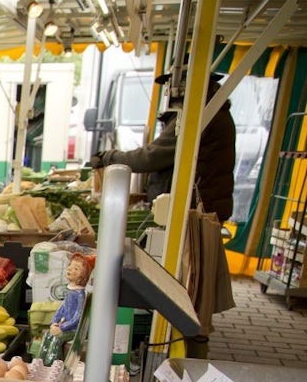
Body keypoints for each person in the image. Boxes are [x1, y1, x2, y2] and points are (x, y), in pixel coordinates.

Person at [90, 73, 236, 222]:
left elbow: (150, 157)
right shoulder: (211, 113)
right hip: (201, 207)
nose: (169, 91)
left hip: (197, 211)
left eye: (171, 86)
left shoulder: (199, 117)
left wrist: (109, 157)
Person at [40, 253, 93, 366]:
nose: (70, 269)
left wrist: (62, 328)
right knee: (48, 335)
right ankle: (41, 361)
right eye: (70, 266)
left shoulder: (80, 295)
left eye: (76, 268)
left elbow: (78, 317)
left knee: (56, 339)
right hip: (64, 325)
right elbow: (62, 308)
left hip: (74, 330)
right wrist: (54, 322)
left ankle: (53, 365)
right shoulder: (71, 291)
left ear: (82, 276)